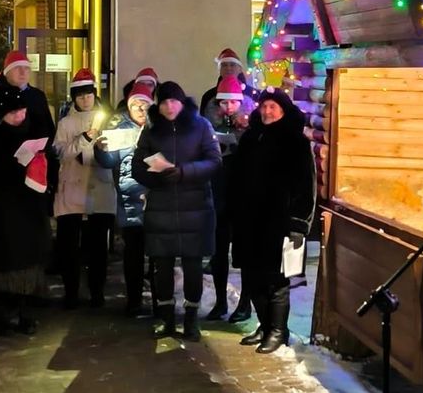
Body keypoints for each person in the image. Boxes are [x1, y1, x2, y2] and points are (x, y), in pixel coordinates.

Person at [132, 82, 221, 340]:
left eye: (174, 101)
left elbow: (214, 161)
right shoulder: (150, 130)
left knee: (193, 264)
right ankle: (166, 319)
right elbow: (137, 167)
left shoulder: (201, 126)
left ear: (183, 103)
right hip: (162, 208)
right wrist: (157, 176)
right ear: (157, 105)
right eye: (164, 102)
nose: (169, 106)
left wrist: (184, 172)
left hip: (196, 206)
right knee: (163, 266)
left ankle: (192, 320)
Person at [229, 90, 315, 353]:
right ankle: (265, 325)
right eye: (264, 106)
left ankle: (278, 330)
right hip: (250, 222)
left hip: (280, 223)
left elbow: (305, 187)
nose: (267, 111)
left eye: (272, 107)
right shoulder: (251, 138)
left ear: (283, 110)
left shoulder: (296, 143)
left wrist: (298, 223)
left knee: (276, 280)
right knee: (252, 277)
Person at [0, 85, 52, 335]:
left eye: (22, 111)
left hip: (29, 210)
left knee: (28, 265)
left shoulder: (32, 131)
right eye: (13, 113)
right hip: (1, 212)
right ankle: (5, 316)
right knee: (5, 267)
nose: (20, 116)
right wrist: (15, 166)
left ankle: (24, 313)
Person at [53, 69, 116, 308]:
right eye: (80, 96)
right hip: (72, 192)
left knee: (97, 248)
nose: (85, 99)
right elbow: (61, 153)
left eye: (88, 95)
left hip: (99, 190)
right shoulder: (66, 123)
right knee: (69, 248)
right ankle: (71, 293)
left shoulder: (108, 120)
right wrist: (84, 139)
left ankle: (97, 292)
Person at [204, 74, 258, 322]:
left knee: (246, 252)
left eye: (233, 103)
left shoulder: (252, 124)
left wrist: (241, 140)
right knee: (218, 251)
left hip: (244, 197)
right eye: (224, 103)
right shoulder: (208, 122)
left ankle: (245, 303)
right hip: (218, 194)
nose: (228, 108)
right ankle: (220, 301)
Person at [95, 82, 151, 315]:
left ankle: (160, 302)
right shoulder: (119, 128)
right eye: (135, 104)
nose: (140, 109)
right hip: (130, 200)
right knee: (133, 253)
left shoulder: (157, 128)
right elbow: (108, 163)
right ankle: (134, 300)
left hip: (156, 198)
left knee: (158, 255)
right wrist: (101, 149)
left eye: (144, 104)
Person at [0, 51, 55, 139]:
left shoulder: (38, 96)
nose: (22, 72)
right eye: (17, 68)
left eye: (26, 68)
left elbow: (49, 129)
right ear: (7, 73)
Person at [200, 48, 253, 116]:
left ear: (240, 69)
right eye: (224, 65)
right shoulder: (208, 96)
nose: (228, 68)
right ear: (219, 70)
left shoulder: (253, 94)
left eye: (232, 65)